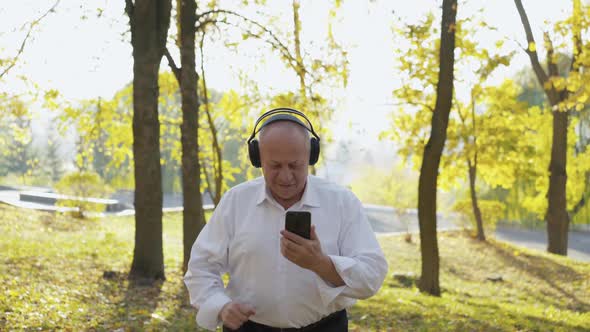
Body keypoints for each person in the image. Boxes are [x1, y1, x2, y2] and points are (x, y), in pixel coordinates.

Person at [184, 108, 388, 331]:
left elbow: (372, 275)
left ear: (310, 157)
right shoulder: (236, 201)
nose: (285, 176)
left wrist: (321, 264)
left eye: (294, 165)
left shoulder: (342, 202)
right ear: (257, 158)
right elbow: (201, 267)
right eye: (275, 166)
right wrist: (221, 306)